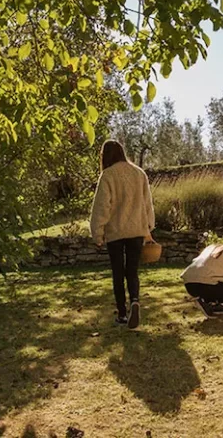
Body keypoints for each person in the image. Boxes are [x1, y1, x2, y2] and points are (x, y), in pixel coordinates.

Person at [89, 140, 155, 329]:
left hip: (115, 232)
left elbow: (102, 207)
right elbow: (147, 202)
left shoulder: (107, 175)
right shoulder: (139, 173)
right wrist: (148, 226)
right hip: (136, 231)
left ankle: (122, 314)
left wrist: (97, 233)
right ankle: (135, 299)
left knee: (118, 273)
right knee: (132, 271)